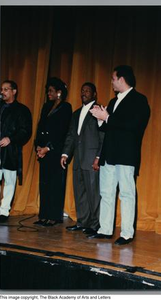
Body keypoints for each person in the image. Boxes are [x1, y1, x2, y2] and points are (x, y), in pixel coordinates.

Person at [89, 65, 150, 245]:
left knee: (126, 194)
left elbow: (134, 125)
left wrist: (107, 117)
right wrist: (101, 119)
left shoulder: (139, 100)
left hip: (126, 154)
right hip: (110, 154)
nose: (112, 82)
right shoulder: (113, 101)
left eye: (113, 78)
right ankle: (105, 229)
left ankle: (126, 233)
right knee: (106, 192)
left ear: (121, 79)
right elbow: (109, 129)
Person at [61, 82, 104, 235]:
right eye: (82, 91)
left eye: (87, 91)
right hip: (78, 159)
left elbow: (102, 136)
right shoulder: (76, 113)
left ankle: (95, 225)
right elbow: (71, 136)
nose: (84, 93)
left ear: (94, 94)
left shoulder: (99, 111)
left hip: (91, 159)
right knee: (80, 192)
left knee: (93, 193)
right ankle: (82, 222)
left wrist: (99, 156)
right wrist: (65, 154)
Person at [34, 77, 72, 226]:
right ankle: (43, 215)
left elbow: (62, 131)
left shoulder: (66, 107)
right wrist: (38, 146)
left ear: (59, 92)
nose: (48, 93)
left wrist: (48, 147)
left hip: (55, 152)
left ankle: (54, 216)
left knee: (56, 184)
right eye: (47, 91)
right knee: (44, 184)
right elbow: (40, 127)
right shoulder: (46, 107)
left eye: (50, 91)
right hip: (43, 152)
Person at [0, 80, 32, 222]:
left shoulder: (22, 110)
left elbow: (25, 131)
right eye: (2, 89)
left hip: (10, 151)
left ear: (14, 91)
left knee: (9, 181)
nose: (3, 92)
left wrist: (10, 139)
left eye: (6, 89)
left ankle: (3, 212)